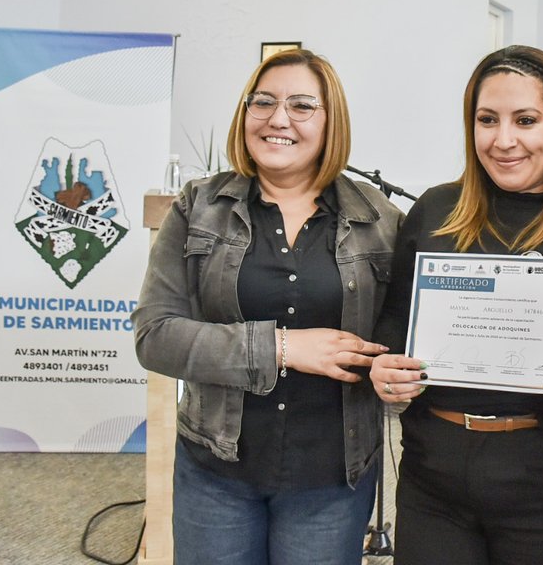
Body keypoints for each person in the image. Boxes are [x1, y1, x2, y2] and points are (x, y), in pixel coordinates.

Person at [132, 48, 403, 565]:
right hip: (216, 470)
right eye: (264, 102)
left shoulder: (381, 220)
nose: (278, 118)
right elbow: (155, 335)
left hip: (332, 478)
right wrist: (282, 347)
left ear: (331, 122)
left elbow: (396, 343)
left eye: (302, 106)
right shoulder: (198, 208)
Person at [370, 45, 543, 565]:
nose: (503, 140)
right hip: (435, 484)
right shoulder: (436, 211)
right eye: (487, 120)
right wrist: (384, 369)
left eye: (526, 120)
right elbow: (394, 328)